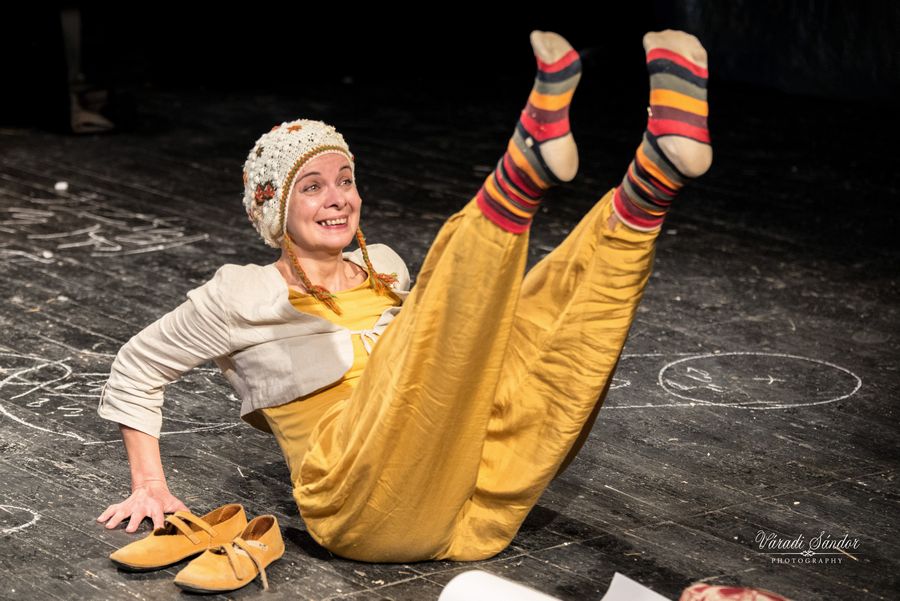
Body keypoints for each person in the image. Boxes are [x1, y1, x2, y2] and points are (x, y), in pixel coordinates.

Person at [96, 28, 712, 562]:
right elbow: (137, 365)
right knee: (447, 330)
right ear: (275, 211)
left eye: (345, 181)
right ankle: (519, 175)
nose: (337, 198)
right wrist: (149, 485)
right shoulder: (243, 294)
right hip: (361, 506)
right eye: (311, 187)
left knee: (546, 340)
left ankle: (652, 180)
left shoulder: (385, 268)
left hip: (475, 504)